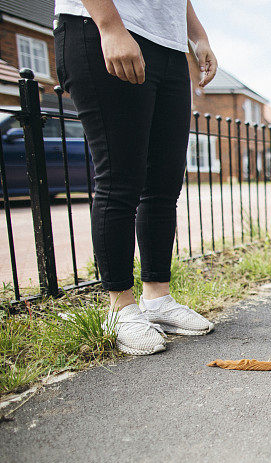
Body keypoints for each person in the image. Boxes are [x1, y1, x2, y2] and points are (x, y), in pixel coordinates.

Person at [54, 0, 219, 355]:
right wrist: (110, 25)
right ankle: (120, 307)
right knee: (119, 179)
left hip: (170, 46)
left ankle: (157, 300)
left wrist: (197, 35)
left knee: (163, 185)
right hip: (103, 26)